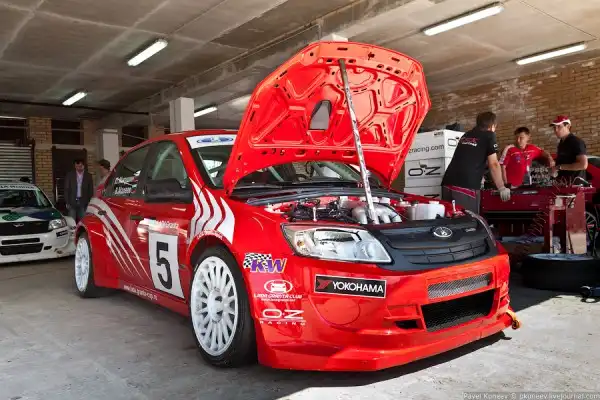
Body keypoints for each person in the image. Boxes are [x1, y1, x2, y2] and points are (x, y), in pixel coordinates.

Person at [441, 111, 510, 213]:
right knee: (468, 220)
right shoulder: (489, 135)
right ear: (492, 126)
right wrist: (501, 187)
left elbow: (469, 157)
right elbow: (494, 164)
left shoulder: (467, 134)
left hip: (447, 183)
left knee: (450, 219)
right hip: (465, 186)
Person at [549, 115, 588, 184]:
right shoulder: (561, 143)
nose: (556, 130)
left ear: (568, 126)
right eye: (554, 127)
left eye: (559, 126)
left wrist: (559, 167)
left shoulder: (576, 142)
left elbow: (583, 165)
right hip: (564, 184)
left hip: (576, 185)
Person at [64, 158, 94, 223]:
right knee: (72, 222)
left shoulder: (88, 176)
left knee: (83, 221)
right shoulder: (70, 175)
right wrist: (67, 202)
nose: (78, 168)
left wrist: (90, 202)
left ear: (83, 166)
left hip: (83, 203)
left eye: (80, 166)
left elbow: (90, 190)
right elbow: (66, 189)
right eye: (76, 166)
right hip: (72, 202)